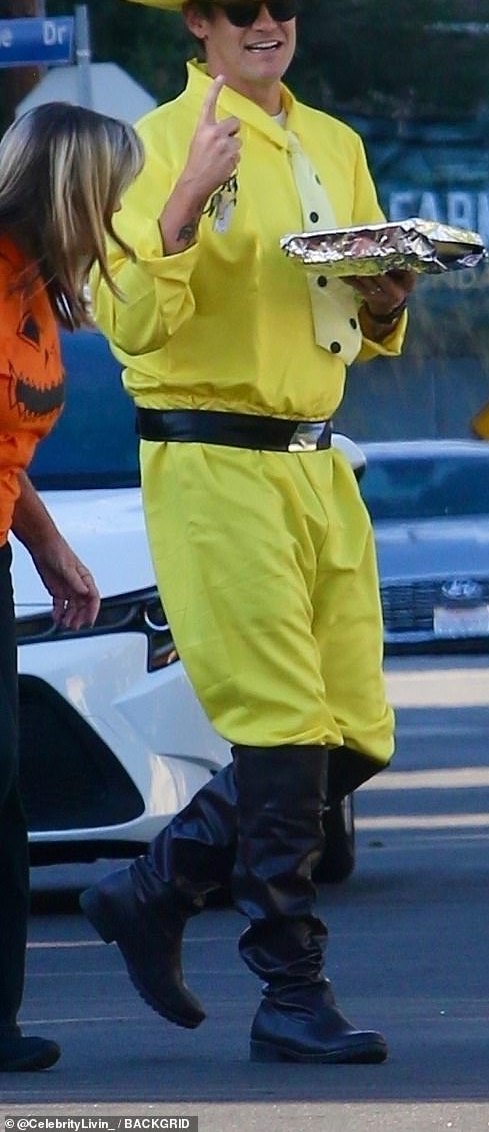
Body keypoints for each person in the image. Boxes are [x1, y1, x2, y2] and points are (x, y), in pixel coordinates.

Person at [78, 0, 414, 1066]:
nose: (266, 22)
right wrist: (182, 199)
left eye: (280, 4)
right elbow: (123, 320)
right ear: (198, 33)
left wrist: (387, 300)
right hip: (210, 456)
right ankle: (289, 991)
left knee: (352, 731)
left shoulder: (334, 143)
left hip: (320, 463)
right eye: (239, 10)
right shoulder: (155, 144)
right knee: (278, 727)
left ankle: (152, 888)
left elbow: (357, 310)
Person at [0, 102, 143, 1073]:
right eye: (117, 195)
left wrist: (49, 545)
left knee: (4, 798)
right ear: (77, 193)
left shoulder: (39, 292)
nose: (121, 217)